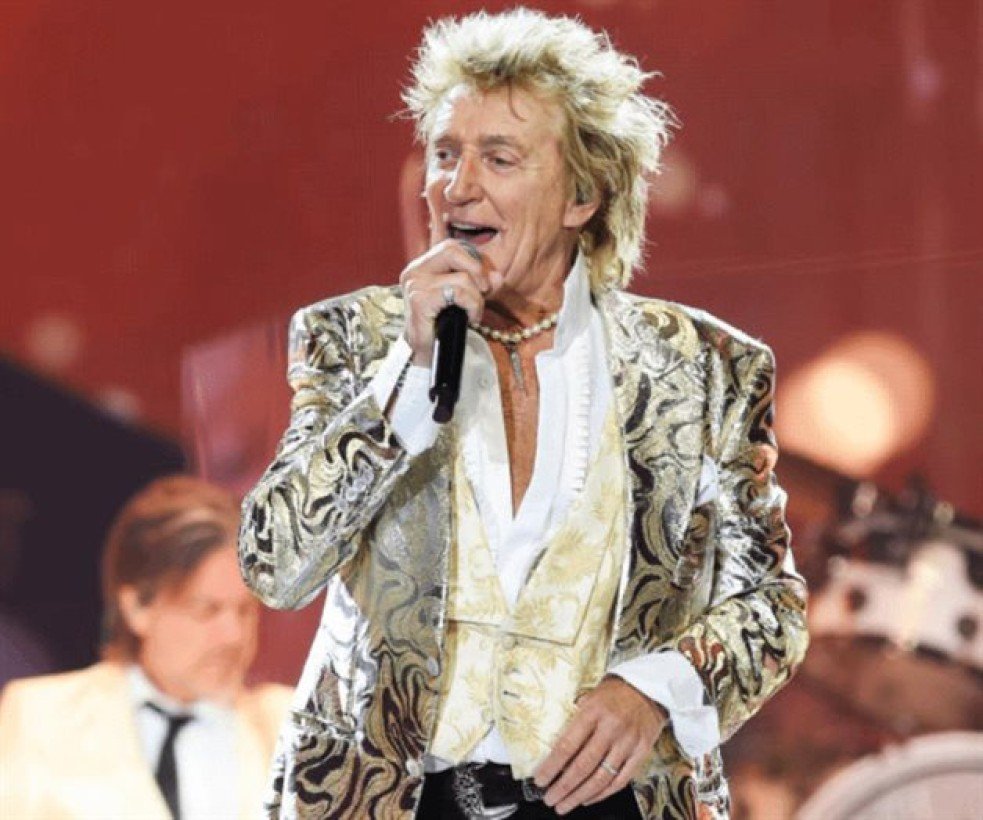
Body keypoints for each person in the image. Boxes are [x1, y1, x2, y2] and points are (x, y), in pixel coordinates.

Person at [238, 8, 808, 819]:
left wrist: (657, 688)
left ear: (582, 194)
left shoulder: (704, 368)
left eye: (499, 158)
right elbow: (274, 563)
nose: (457, 186)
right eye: (445, 154)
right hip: (390, 799)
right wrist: (407, 374)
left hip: (612, 802)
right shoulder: (354, 341)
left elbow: (771, 607)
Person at [0, 475, 291, 820]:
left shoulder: (289, 725)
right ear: (137, 606)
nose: (234, 635)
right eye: (206, 610)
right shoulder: (42, 716)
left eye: (245, 610)